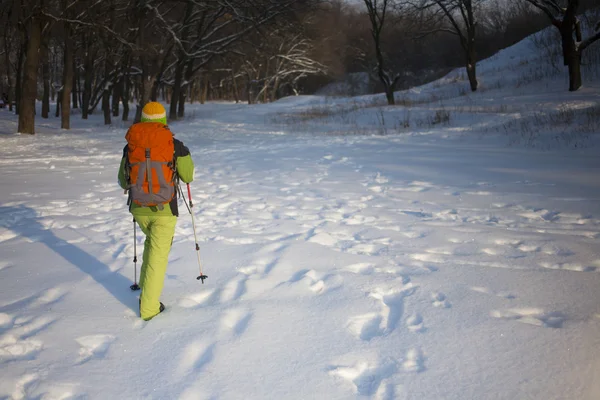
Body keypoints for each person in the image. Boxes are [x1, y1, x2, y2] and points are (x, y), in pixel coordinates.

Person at [118, 102, 194, 321]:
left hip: (139, 209)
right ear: (163, 119)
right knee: (158, 258)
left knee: (151, 244)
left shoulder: (131, 145)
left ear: (142, 119)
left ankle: (143, 284)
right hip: (165, 208)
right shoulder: (175, 145)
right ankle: (149, 308)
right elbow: (188, 176)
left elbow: (123, 179)